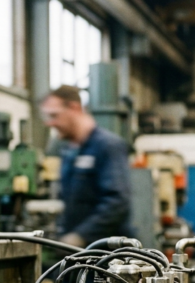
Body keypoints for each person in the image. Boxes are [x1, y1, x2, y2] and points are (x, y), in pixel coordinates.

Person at [41, 85, 134, 248]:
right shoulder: (69, 151)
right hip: (81, 254)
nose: (50, 123)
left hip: (108, 255)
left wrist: (80, 236)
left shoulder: (107, 146)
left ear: (74, 108)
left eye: (54, 115)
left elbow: (117, 202)